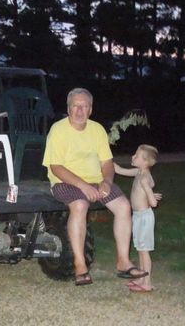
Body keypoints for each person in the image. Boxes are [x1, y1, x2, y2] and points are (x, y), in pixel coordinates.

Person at [42, 88, 147, 286]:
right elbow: (56, 167)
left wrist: (106, 181)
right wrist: (83, 185)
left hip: (96, 181)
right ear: (68, 108)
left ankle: (123, 262)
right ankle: (80, 266)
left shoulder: (97, 129)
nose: (80, 111)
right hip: (66, 182)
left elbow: (107, 163)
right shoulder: (58, 130)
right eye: (75, 106)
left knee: (124, 206)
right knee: (80, 205)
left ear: (91, 109)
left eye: (84, 106)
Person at [114, 145, 162, 293]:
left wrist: (150, 195)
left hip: (144, 218)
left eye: (137, 155)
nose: (133, 157)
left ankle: (147, 283)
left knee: (144, 251)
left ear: (146, 162)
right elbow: (119, 170)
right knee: (140, 249)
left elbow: (153, 203)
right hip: (138, 216)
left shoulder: (144, 179)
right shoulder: (138, 172)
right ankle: (142, 278)